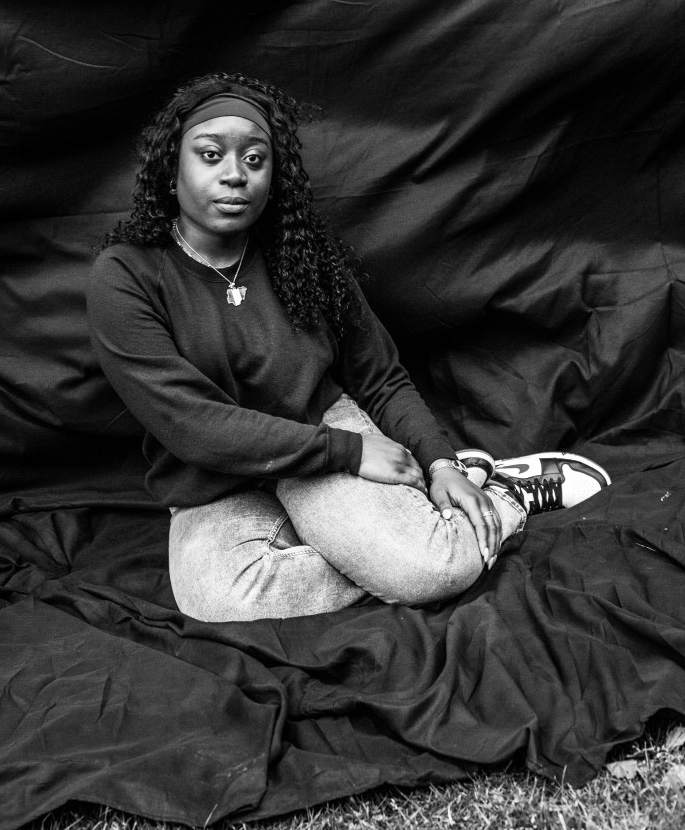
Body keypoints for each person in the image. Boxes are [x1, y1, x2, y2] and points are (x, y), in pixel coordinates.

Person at [86, 72, 610, 622]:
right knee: (217, 598)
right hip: (218, 475)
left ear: (273, 176)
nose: (235, 174)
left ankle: (503, 494)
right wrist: (351, 454)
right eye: (211, 155)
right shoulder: (126, 276)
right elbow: (190, 424)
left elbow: (381, 377)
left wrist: (439, 463)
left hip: (319, 433)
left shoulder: (301, 257)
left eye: (255, 159)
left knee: (431, 570)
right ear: (172, 170)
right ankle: (401, 540)